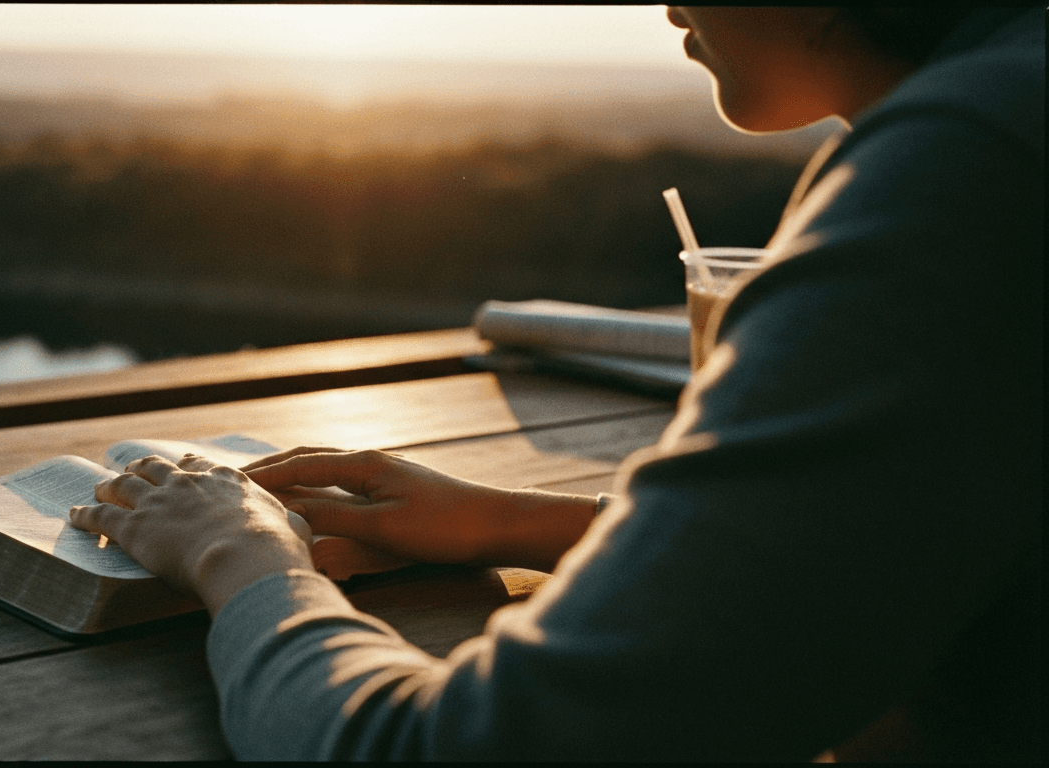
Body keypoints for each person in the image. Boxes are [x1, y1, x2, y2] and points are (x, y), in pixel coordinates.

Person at [70, 7, 1042, 760]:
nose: (665, 6)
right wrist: (512, 521)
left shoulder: (969, 169)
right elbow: (890, 533)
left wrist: (240, 557)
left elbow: (452, 750)